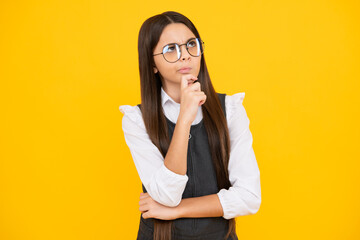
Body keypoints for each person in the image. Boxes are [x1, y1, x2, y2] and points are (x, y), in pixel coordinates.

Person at [119, 11, 261, 240]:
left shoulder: (232, 110)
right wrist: (185, 116)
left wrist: (174, 211)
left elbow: (249, 197)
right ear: (152, 64)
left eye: (191, 45)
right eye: (171, 49)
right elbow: (167, 194)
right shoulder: (136, 119)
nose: (185, 56)